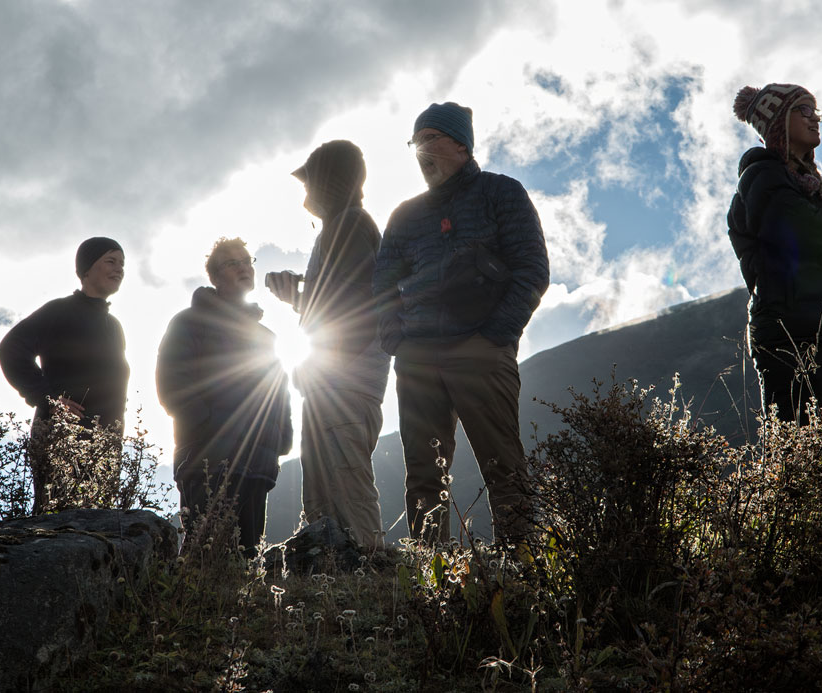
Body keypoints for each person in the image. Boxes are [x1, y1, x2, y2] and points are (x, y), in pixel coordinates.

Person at [373, 102, 550, 544]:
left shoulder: (501, 193)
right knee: (423, 475)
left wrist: (494, 338)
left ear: (461, 144)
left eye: (430, 138)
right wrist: (397, 339)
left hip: (480, 349)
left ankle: (523, 570)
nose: (422, 151)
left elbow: (532, 269)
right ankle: (432, 580)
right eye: (416, 142)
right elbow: (381, 286)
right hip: (417, 357)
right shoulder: (403, 215)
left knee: (503, 467)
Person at [728, 83, 822, 429]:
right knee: (796, 452)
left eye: (816, 112)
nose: (815, 120)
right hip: (791, 332)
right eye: (804, 110)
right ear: (779, 122)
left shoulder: (821, 188)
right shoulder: (762, 178)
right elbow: (808, 235)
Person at [267, 140, 390, 549]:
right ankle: (335, 584)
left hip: (343, 387)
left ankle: (372, 576)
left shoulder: (350, 225)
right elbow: (338, 303)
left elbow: (352, 311)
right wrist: (297, 297)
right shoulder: (342, 227)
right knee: (326, 497)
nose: (305, 202)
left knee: (348, 496)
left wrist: (318, 371)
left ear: (332, 182)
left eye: (310, 186)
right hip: (335, 387)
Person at [157, 238, 293, 556]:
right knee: (203, 559)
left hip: (257, 462)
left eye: (247, 261)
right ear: (215, 277)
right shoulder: (189, 323)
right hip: (207, 459)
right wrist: (206, 426)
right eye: (232, 263)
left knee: (247, 563)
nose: (244, 267)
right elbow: (171, 382)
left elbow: (280, 392)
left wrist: (281, 439)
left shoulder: (266, 337)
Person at [0, 236, 130, 513]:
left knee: (98, 531)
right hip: (61, 439)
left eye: (122, 263)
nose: (119, 269)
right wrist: (47, 399)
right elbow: (10, 350)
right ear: (86, 269)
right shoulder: (59, 311)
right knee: (55, 523)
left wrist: (112, 443)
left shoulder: (114, 326)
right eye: (110, 261)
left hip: (104, 449)